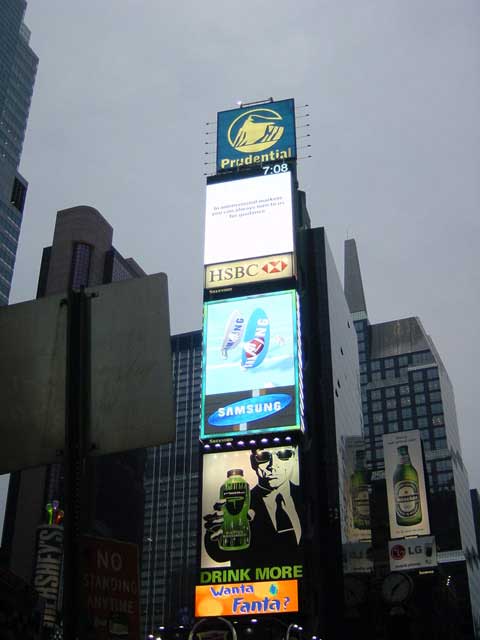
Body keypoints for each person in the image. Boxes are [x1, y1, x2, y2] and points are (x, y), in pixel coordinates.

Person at [203, 445, 302, 567]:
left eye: (284, 455)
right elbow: (218, 553)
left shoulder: (307, 496)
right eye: (264, 457)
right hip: (253, 584)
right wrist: (218, 533)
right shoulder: (239, 505)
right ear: (252, 462)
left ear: (295, 458)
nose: (273, 465)